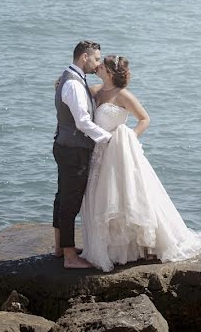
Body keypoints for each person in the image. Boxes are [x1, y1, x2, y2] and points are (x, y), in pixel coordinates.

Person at [80, 54, 201, 272]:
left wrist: (129, 139)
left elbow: (145, 119)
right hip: (99, 152)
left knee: (126, 196)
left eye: (102, 65)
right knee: (101, 197)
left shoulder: (122, 95)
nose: (99, 67)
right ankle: (112, 249)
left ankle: (140, 246)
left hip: (119, 151)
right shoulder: (95, 91)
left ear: (111, 72)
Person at [52, 40, 113, 269]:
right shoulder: (75, 84)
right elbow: (82, 122)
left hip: (65, 146)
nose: (98, 64)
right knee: (70, 202)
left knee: (62, 197)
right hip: (73, 150)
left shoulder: (70, 77)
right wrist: (107, 138)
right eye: (96, 59)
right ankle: (69, 257)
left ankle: (60, 247)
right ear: (84, 57)